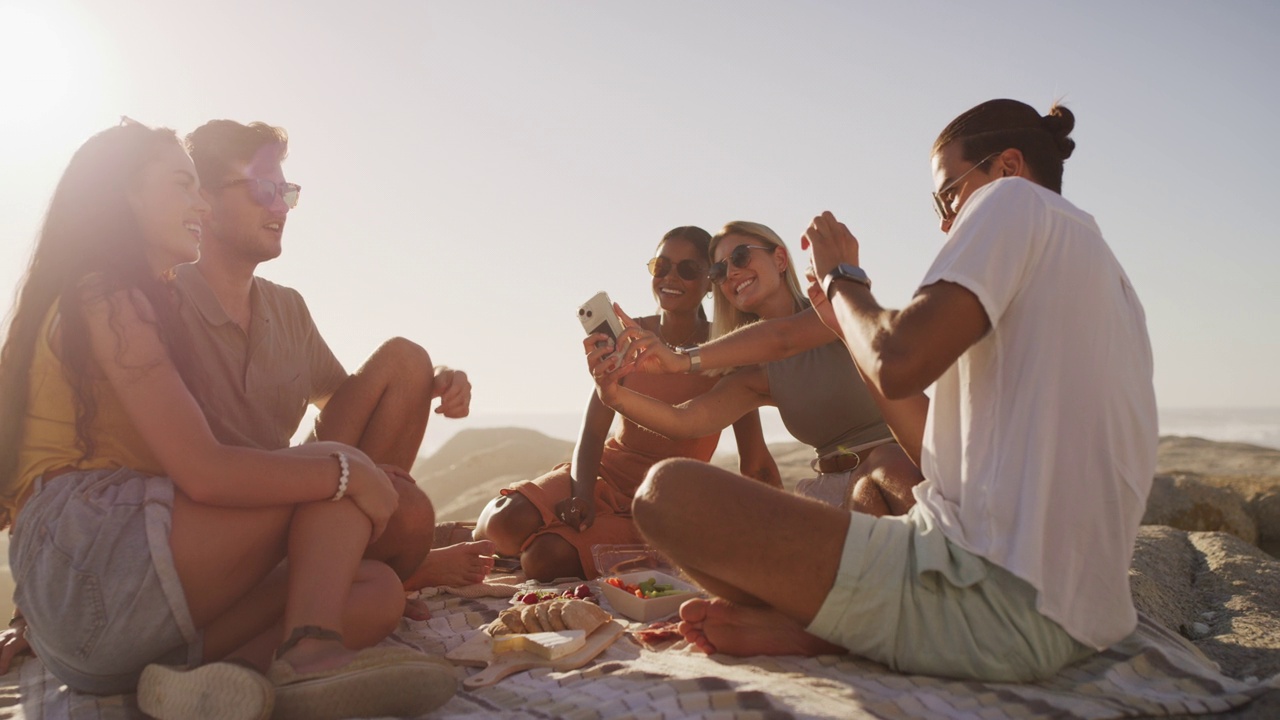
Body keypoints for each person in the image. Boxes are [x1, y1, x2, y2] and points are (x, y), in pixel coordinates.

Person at [623, 99, 1157, 683]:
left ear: (1007, 166)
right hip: (1080, 614)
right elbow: (935, 450)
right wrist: (619, 388)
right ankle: (822, 629)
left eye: (947, 195)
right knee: (873, 487)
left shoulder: (1013, 200)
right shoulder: (1105, 275)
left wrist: (841, 275)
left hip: (997, 599)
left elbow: (892, 359)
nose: (946, 223)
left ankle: (832, 629)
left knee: (665, 494)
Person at [0, 121, 455, 720]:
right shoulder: (109, 296)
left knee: (378, 593)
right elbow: (205, 473)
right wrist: (346, 473)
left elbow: (348, 398)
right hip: (100, 569)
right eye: (183, 185)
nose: (198, 204)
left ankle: (224, 680)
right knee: (336, 473)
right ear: (124, 195)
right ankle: (311, 654)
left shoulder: (131, 297)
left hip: (104, 635)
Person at [177, 119, 491, 590]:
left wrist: (436, 379)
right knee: (407, 521)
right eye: (263, 189)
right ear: (203, 200)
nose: (281, 206)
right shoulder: (161, 302)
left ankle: (359, 562)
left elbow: (352, 402)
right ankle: (388, 574)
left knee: (406, 359)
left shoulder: (287, 308)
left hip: (297, 502)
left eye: (287, 192)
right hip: (218, 521)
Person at [474, 226, 780, 581]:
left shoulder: (726, 350)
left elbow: (755, 462)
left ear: (710, 281)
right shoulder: (628, 335)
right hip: (605, 472)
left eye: (687, 269)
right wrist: (583, 493)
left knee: (543, 560)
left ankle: (634, 546)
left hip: (664, 501)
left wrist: (782, 534)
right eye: (661, 266)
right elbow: (592, 429)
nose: (670, 278)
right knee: (501, 522)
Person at [590, 221, 921, 515]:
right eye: (719, 271)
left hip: (902, 472)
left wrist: (680, 359)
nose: (731, 272)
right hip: (833, 489)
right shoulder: (754, 372)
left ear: (779, 259)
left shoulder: (835, 307)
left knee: (881, 480)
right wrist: (614, 395)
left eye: (741, 257)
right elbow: (685, 421)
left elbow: (783, 337)